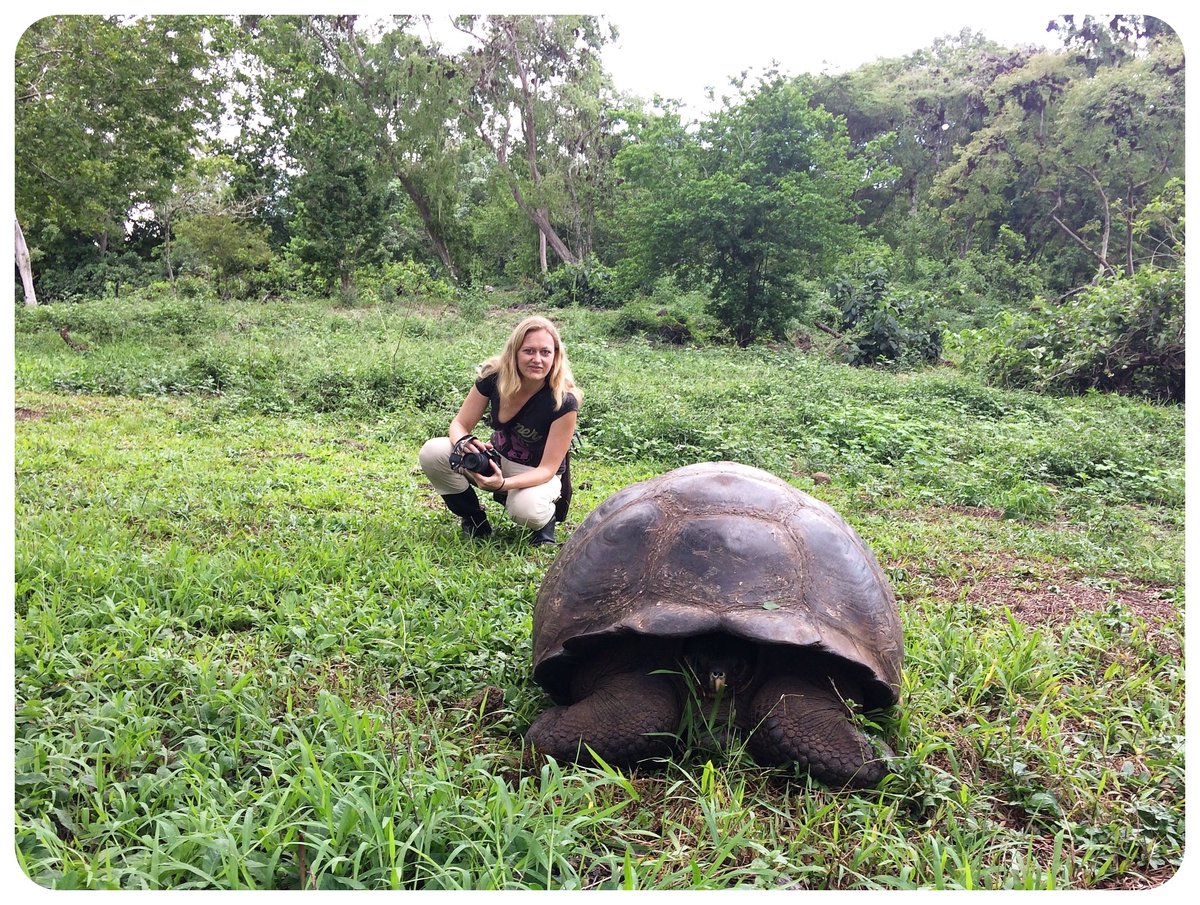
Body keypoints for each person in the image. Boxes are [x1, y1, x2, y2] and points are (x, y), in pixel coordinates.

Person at [418, 315, 581, 545]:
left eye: (545, 352)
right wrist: (463, 441)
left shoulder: (563, 400)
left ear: (555, 357)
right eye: (529, 351)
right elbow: (459, 423)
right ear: (514, 352)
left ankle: (545, 521)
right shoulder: (494, 377)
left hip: (537, 474)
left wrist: (503, 485)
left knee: (526, 509)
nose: (537, 359)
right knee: (433, 452)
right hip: (498, 458)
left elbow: (547, 469)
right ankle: (474, 520)